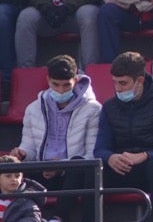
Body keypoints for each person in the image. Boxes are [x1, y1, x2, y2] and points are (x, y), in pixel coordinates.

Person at [93, 51, 153, 222]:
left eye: (123, 83)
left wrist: (145, 155)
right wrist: (110, 157)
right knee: (92, 172)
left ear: (139, 81)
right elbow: (99, 149)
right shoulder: (109, 108)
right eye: (115, 82)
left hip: (150, 169)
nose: (118, 88)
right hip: (120, 168)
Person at [14, 55, 102, 191]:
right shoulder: (33, 109)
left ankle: (60, 209)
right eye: (55, 84)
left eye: (66, 85)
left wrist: (60, 167)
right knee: (9, 172)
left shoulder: (93, 109)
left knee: (80, 168)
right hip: (41, 170)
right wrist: (22, 154)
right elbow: (29, 148)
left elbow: (92, 156)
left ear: (75, 81)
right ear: (48, 80)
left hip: (73, 173)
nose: (61, 90)